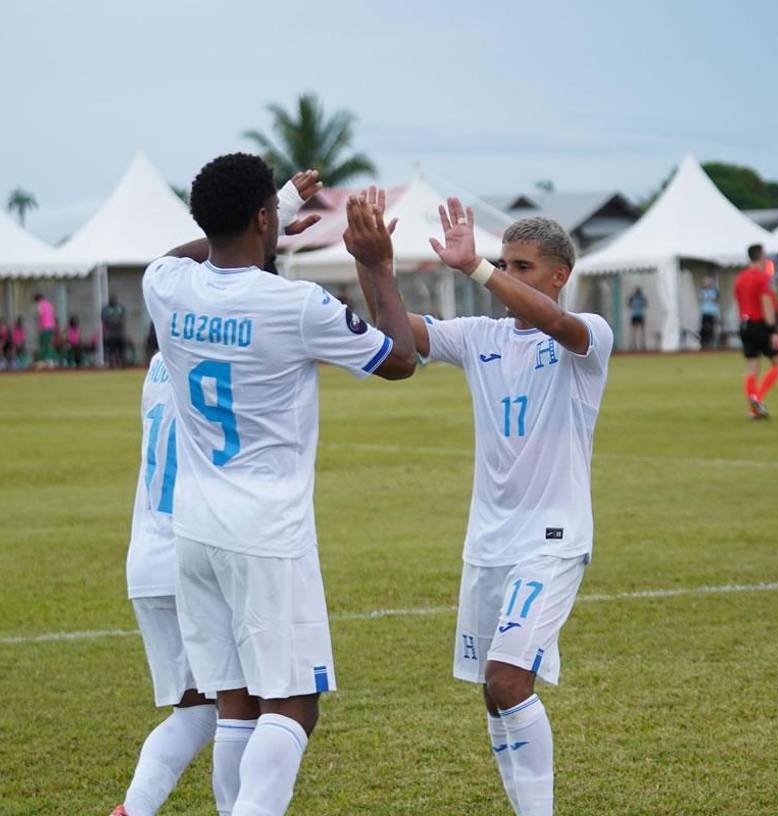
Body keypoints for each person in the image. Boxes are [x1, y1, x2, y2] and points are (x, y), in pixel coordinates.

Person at [141, 154, 417, 816]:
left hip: (195, 530)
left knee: (235, 703)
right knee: (293, 705)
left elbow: (190, 250)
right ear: (264, 218)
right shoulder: (296, 304)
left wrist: (275, 209)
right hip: (266, 531)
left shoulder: (164, 284)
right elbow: (401, 359)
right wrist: (376, 263)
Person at [352, 189, 612, 816]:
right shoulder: (479, 336)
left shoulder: (588, 338)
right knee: (493, 694)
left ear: (560, 275)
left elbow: (555, 322)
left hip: (550, 541)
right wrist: (374, 267)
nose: (507, 276)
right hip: (488, 543)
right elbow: (399, 337)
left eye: (522, 267)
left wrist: (473, 267)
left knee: (507, 679)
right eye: (505, 263)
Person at [111, 353, 217, 816]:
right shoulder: (220, 349)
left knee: (195, 714)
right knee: (248, 709)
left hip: (146, 560)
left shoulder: (158, 360)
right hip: (198, 551)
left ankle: (132, 810)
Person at [734, 244, 778, 418]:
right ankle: (758, 400)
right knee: (777, 365)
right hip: (760, 324)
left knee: (752, 367)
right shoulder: (762, 278)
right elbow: (766, 304)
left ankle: (753, 406)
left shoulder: (739, 278)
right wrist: (772, 331)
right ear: (761, 256)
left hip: (744, 325)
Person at [102, 295, 127, 368]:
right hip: (110, 335)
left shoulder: (119, 308)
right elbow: (104, 319)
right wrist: (114, 321)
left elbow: (122, 318)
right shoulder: (106, 309)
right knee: (111, 352)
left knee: (121, 351)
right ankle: (111, 364)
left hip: (119, 334)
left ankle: (122, 364)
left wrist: (115, 321)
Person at [34, 293, 57, 366]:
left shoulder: (40, 305)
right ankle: (50, 360)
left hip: (44, 328)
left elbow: (39, 315)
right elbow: (53, 315)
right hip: (51, 327)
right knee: (49, 344)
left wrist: (38, 326)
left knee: (43, 344)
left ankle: (44, 360)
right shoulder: (49, 305)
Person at [698, 276, 720, 349]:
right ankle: (703, 343)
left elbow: (716, 299)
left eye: (709, 282)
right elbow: (701, 299)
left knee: (711, 328)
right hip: (704, 312)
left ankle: (711, 343)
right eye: (706, 282)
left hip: (712, 312)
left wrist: (710, 298)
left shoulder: (714, 291)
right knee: (704, 328)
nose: (707, 283)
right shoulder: (701, 291)